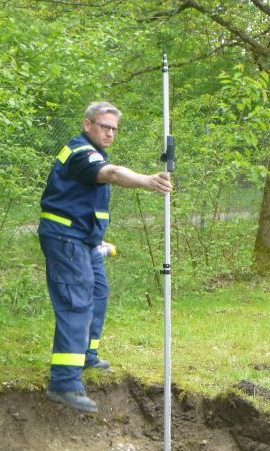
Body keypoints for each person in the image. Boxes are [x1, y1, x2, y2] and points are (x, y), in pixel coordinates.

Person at [38, 101, 172, 413]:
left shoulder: (92, 151)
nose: (110, 133)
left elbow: (79, 201)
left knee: (98, 291)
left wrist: (95, 239)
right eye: (104, 126)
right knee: (77, 302)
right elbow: (110, 174)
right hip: (65, 239)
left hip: (85, 240)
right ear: (87, 125)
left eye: (114, 129)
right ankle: (64, 383)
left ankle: (86, 355)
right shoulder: (82, 153)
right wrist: (147, 181)